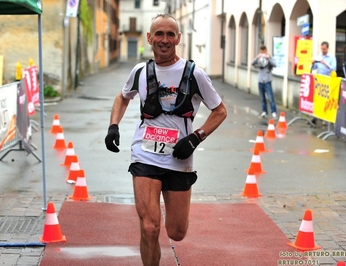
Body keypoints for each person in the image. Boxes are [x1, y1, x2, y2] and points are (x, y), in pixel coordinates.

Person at [104, 13, 227, 265]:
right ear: (149, 38)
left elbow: (220, 111)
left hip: (179, 157)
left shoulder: (195, 74)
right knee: (149, 228)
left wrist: (195, 137)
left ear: (178, 39)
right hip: (145, 153)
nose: (164, 39)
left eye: (170, 34)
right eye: (159, 33)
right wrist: (113, 126)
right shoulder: (140, 71)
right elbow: (122, 97)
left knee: (176, 232)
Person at [310, 41, 337, 126]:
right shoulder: (319, 56)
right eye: (322, 49)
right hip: (319, 81)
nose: (323, 50)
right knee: (318, 99)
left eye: (324, 49)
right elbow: (314, 67)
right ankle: (316, 117)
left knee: (326, 100)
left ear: (327, 48)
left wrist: (325, 63)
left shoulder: (332, 57)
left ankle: (325, 119)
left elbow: (334, 68)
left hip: (328, 81)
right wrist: (313, 63)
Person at [251, 45, 278, 119]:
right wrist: (257, 57)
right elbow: (252, 63)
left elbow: (275, 64)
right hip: (260, 81)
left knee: (270, 98)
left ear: (266, 51)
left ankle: (274, 112)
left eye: (264, 51)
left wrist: (268, 58)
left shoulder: (270, 57)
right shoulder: (259, 58)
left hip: (267, 81)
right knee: (262, 98)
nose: (263, 53)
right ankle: (264, 111)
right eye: (261, 51)